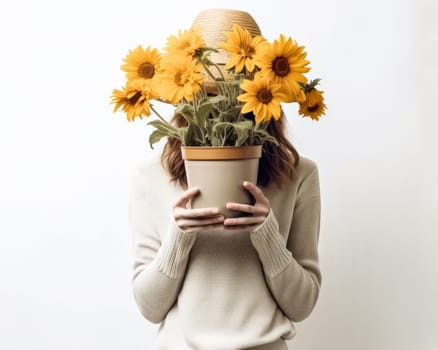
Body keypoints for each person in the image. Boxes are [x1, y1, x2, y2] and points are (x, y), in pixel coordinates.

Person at [129, 10, 322, 350]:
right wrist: (179, 237)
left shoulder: (299, 174)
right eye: (209, 94)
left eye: (231, 96)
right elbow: (149, 306)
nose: (222, 107)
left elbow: (302, 304)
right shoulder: (151, 175)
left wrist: (268, 236)